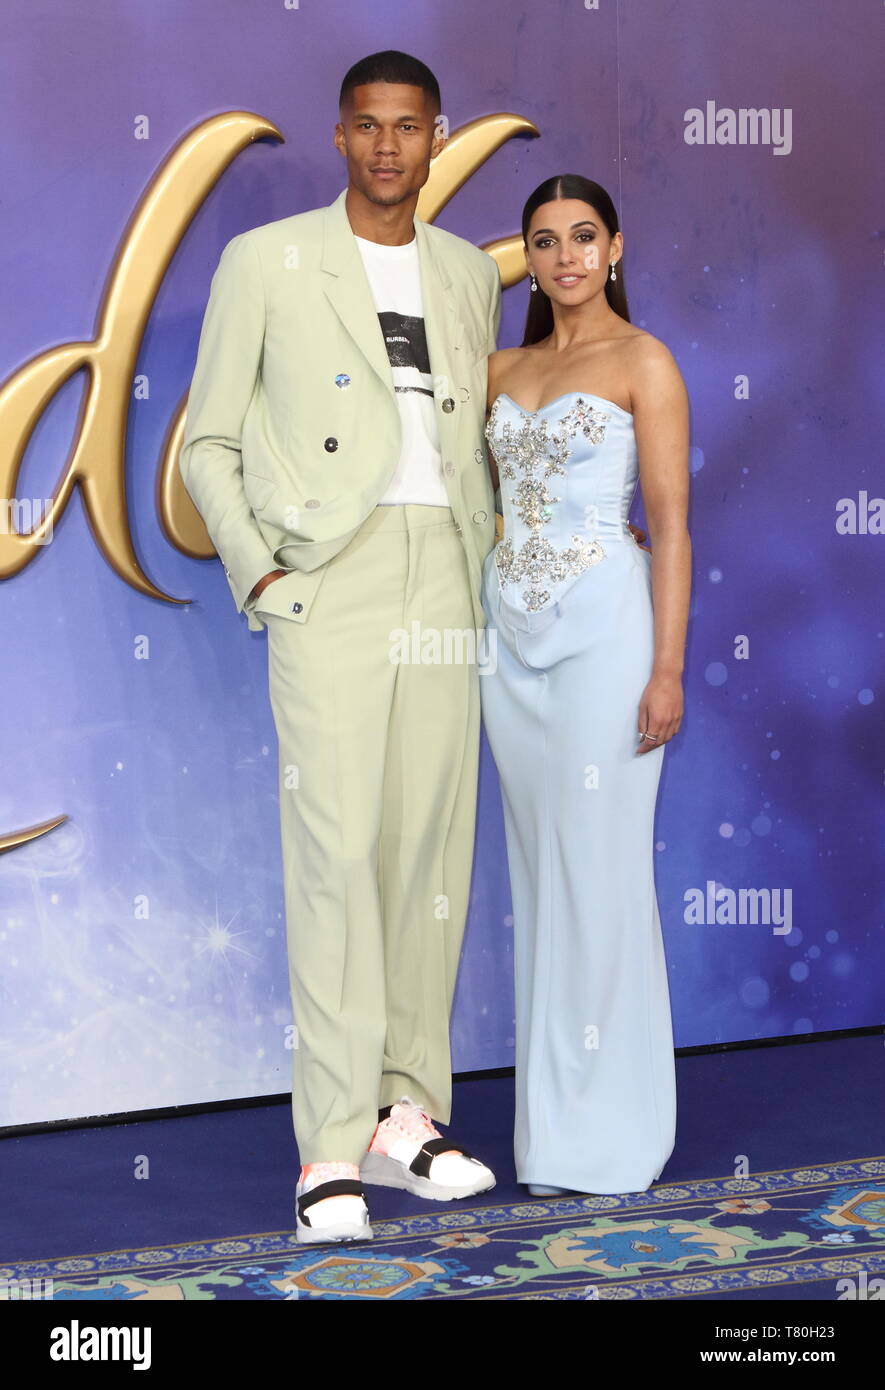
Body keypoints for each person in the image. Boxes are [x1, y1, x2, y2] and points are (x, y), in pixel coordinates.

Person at [179, 51, 502, 1244]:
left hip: (446, 574)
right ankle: (329, 1143)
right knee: (334, 857)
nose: (386, 147)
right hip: (333, 574)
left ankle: (408, 1112)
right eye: (366, 126)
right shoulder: (265, 262)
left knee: (430, 853)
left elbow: (468, 442)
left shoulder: (468, 274)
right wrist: (263, 572)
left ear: (435, 139)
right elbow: (206, 441)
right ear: (339, 137)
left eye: (407, 128)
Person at [479, 174, 690, 1195]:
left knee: (601, 873)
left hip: (610, 637)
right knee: (539, 877)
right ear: (526, 257)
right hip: (506, 646)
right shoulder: (497, 368)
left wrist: (667, 670)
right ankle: (551, 1135)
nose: (564, 255)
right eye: (544, 240)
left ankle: (616, 1131)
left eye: (583, 236)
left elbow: (673, 525)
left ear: (614, 246)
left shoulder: (645, 361)